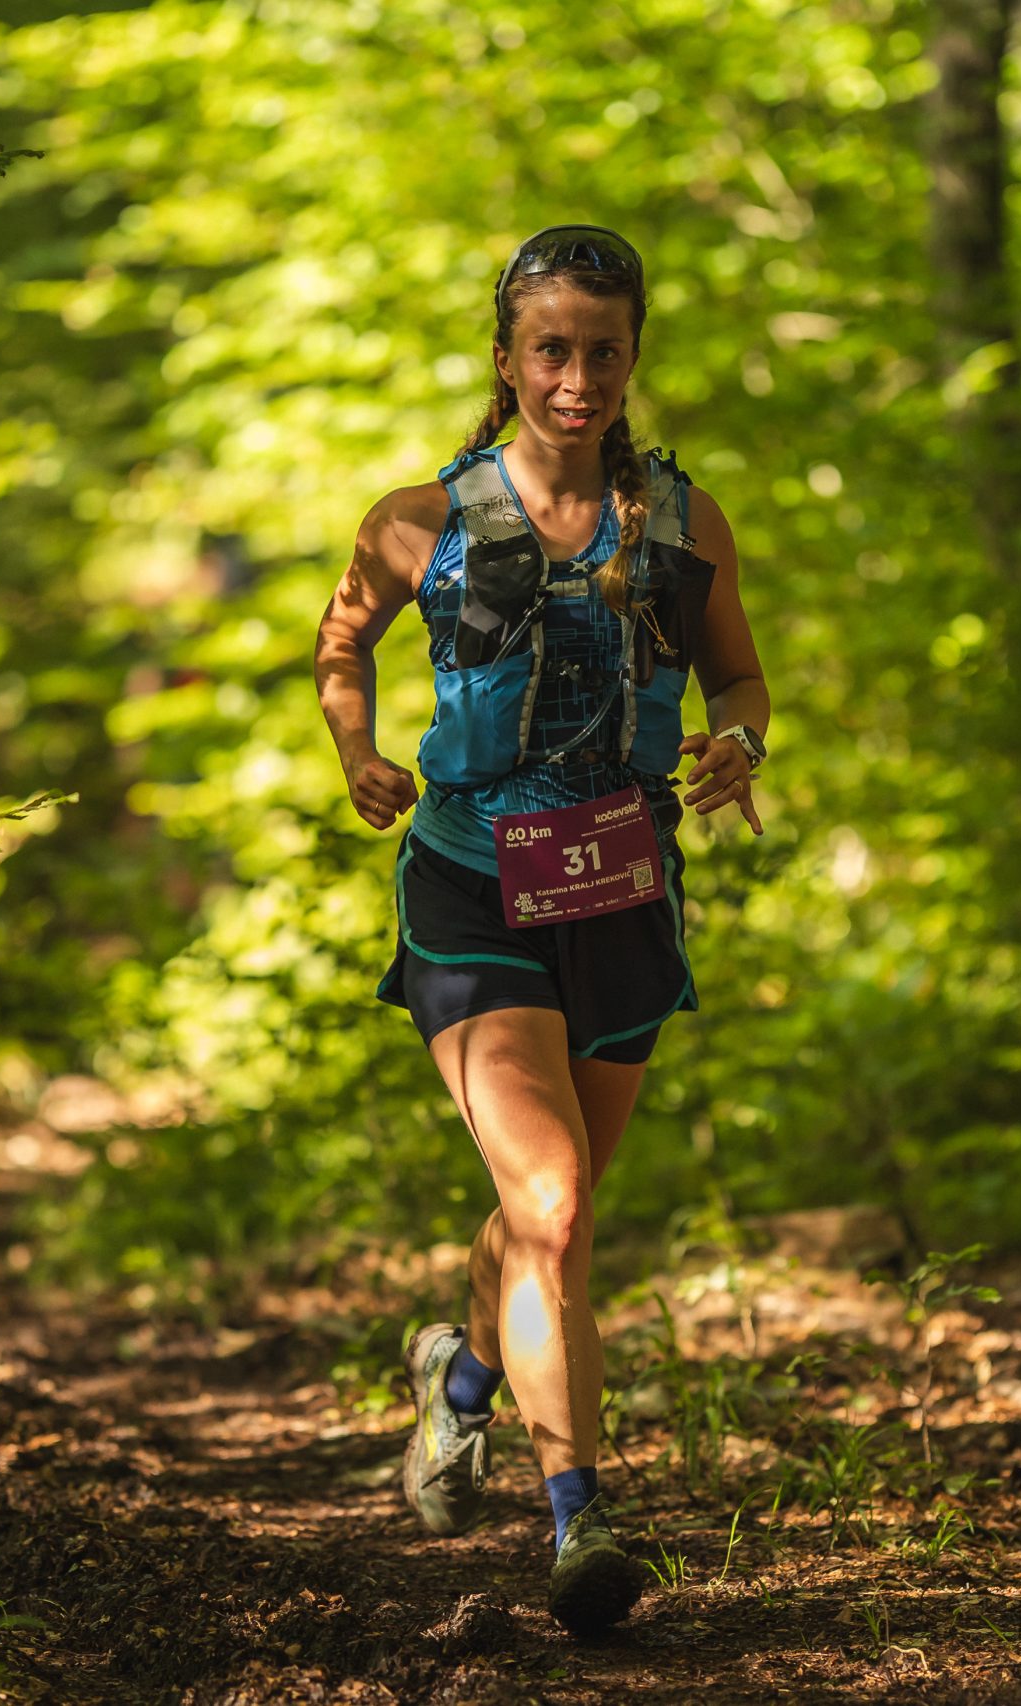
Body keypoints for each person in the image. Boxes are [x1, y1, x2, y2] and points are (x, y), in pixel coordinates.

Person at [312, 224, 769, 1635]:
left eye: (603, 351)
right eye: (551, 350)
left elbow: (741, 680)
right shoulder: (419, 520)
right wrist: (358, 752)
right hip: (471, 889)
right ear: (506, 358)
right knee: (556, 1204)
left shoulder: (685, 523)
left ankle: (458, 1379)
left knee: (544, 1217)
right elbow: (342, 642)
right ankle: (581, 1523)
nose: (578, 378)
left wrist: (740, 742)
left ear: (634, 357)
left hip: (623, 892)